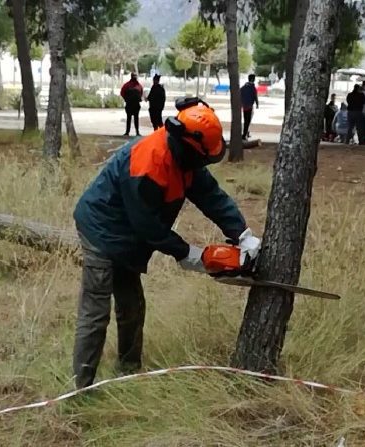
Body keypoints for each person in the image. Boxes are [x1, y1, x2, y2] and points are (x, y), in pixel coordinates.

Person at [72, 98, 261, 388]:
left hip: (127, 232)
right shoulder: (148, 165)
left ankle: (128, 370)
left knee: (132, 305)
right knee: (96, 312)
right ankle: (80, 387)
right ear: (189, 146)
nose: (204, 164)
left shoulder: (187, 158)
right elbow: (147, 225)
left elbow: (211, 196)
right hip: (101, 229)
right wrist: (189, 254)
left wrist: (242, 234)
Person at [240, 74, 259, 140]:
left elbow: (240, 94)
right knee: (247, 121)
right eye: (254, 78)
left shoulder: (243, 87)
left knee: (246, 120)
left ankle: (246, 132)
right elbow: (255, 96)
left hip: (244, 106)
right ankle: (244, 134)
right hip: (249, 106)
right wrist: (257, 104)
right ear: (252, 79)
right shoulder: (253, 88)